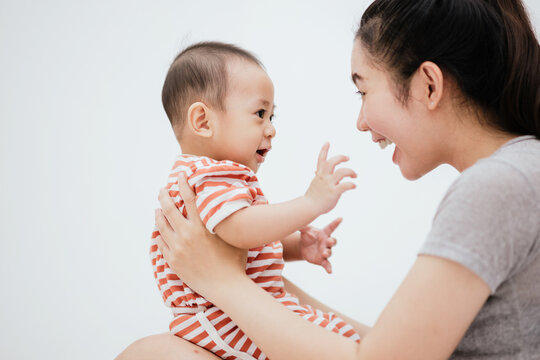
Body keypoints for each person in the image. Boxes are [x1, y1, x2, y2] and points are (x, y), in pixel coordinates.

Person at [117, 0, 540, 358]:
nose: (360, 121)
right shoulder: (520, 172)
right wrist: (252, 279)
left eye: (363, 90)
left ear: (428, 86)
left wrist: (221, 281)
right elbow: (383, 348)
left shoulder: (500, 186)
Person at [149, 41, 361, 360]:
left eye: (272, 116)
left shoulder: (207, 176)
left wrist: (295, 247)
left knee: (341, 336)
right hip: (224, 320)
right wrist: (309, 203)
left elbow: (241, 243)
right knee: (338, 337)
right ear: (203, 121)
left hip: (230, 312)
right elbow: (239, 230)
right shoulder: (209, 176)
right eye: (260, 114)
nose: (271, 129)